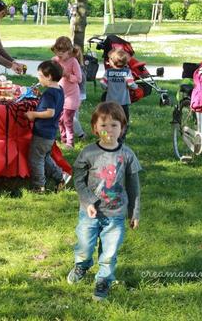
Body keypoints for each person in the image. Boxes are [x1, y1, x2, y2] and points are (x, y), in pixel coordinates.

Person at [67, 102, 142, 301]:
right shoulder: (88, 153)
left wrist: (134, 213)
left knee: (109, 253)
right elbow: (78, 180)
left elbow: (134, 186)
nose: (108, 130)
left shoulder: (127, 155)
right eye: (103, 125)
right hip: (89, 212)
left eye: (114, 125)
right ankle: (82, 265)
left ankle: (104, 280)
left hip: (116, 214)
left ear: (122, 128)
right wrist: (89, 201)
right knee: (84, 246)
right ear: (94, 128)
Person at [25, 60, 71, 193]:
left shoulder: (49, 93)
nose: (38, 78)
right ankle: (61, 176)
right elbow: (52, 105)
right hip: (50, 132)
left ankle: (39, 186)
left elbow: (50, 112)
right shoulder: (59, 90)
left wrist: (33, 114)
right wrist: (40, 96)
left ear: (49, 76)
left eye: (40, 76)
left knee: (35, 159)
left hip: (42, 133)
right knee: (44, 157)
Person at [51, 36, 82, 149]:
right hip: (59, 94)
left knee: (67, 119)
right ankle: (63, 139)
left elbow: (79, 79)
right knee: (59, 119)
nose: (59, 54)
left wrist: (67, 75)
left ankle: (70, 142)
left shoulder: (73, 61)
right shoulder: (55, 60)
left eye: (62, 52)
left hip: (71, 95)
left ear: (69, 51)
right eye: (57, 51)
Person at [100, 49, 137, 141]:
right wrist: (136, 87)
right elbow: (131, 84)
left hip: (110, 102)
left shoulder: (108, 72)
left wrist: (106, 88)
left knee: (107, 121)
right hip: (123, 102)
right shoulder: (126, 72)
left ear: (112, 62)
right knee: (124, 121)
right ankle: (120, 138)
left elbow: (102, 83)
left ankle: (106, 137)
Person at [73, 45, 86, 140]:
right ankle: (67, 135)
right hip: (69, 96)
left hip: (76, 97)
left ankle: (81, 134)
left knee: (72, 117)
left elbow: (81, 88)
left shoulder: (78, 70)